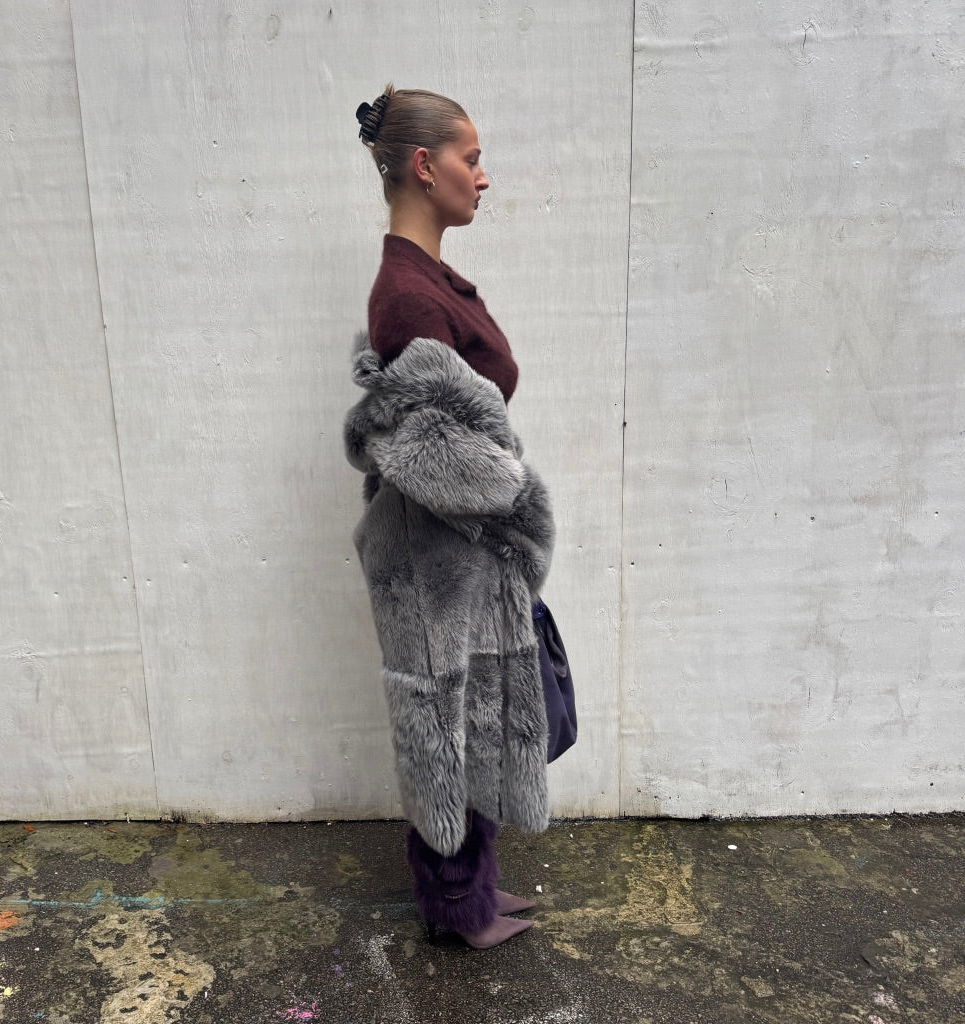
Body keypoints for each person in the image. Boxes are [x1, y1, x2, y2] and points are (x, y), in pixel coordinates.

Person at [344, 85, 556, 950]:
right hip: (437, 553)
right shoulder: (408, 295)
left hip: (464, 551)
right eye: (473, 159)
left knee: (475, 717)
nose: (484, 177)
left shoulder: (428, 282)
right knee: (444, 721)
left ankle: (477, 890)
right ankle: (455, 907)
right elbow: (429, 449)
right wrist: (517, 501)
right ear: (427, 167)